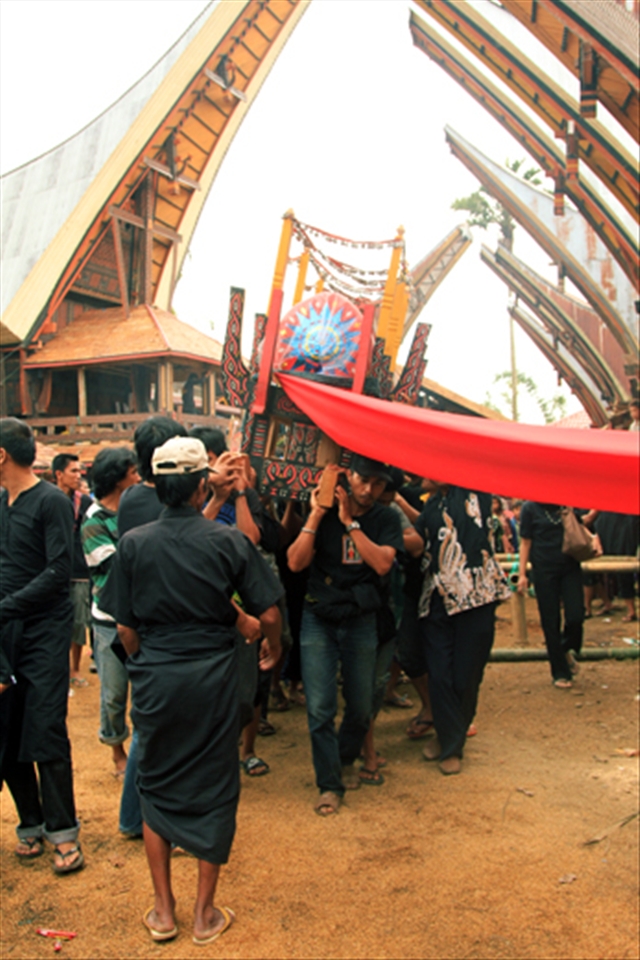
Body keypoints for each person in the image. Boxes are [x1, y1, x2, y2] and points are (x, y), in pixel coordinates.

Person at [111, 437, 282, 945]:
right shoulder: (227, 543)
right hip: (214, 678)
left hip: (157, 680)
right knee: (215, 784)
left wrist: (146, 663)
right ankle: (205, 914)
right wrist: (270, 646)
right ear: (200, 485)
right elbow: (268, 612)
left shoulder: (134, 543)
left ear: (159, 484)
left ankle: (164, 912)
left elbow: (124, 628)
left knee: (155, 784)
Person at [287, 455, 403, 816]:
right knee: (320, 707)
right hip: (318, 616)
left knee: (361, 703)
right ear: (347, 476)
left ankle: (345, 757)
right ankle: (329, 784)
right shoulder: (322, 513)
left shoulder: (384, 518)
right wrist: (317, 514)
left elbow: (383, 562)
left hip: (360, 618)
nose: (369, 490)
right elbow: (294, 562)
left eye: (378, 484)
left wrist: (350, 523)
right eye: (363, 480)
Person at [0, 418, 83, 873]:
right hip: (5, 630)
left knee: (46, 727)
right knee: (8, 728)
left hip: (44, 631)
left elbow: (57, 572)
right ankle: (29, 821)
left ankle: (63, 830)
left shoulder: (50, 501)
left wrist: (7, 605)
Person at [406, 481, 510, 775]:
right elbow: (422, 529)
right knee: (439, 673)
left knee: (466, 675)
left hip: (476, 596)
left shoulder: (476, 487)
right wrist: (398, 503)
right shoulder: (432, 503)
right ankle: (450, 745)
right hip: (437, 599)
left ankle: (449, 739)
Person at [81, 448, 139, 776]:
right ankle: (117, 749)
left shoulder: (133, 511)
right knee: (115, 692)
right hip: (108, 620)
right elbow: (112, 568)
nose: (138, 478)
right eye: (132, 473)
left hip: (138, 616)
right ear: (118, 479)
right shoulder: (94, 520)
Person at [517, 502, 596, 687]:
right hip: (543, 569)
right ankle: (560, 672)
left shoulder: (566, 502)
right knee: (550, 620)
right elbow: (525, 542)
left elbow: (582, 524)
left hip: (569, 566)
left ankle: (566, 648)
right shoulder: (529, 508)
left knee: (576, 614)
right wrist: (522, 574)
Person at [52, 452, 92, 687]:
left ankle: (75, 668)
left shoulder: (84, 503)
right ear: (59, 474)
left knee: (78, 621)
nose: (79, 476)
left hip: (78, 570)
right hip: (53, 570)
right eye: (73, 471)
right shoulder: (47, 500)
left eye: (80, 471)